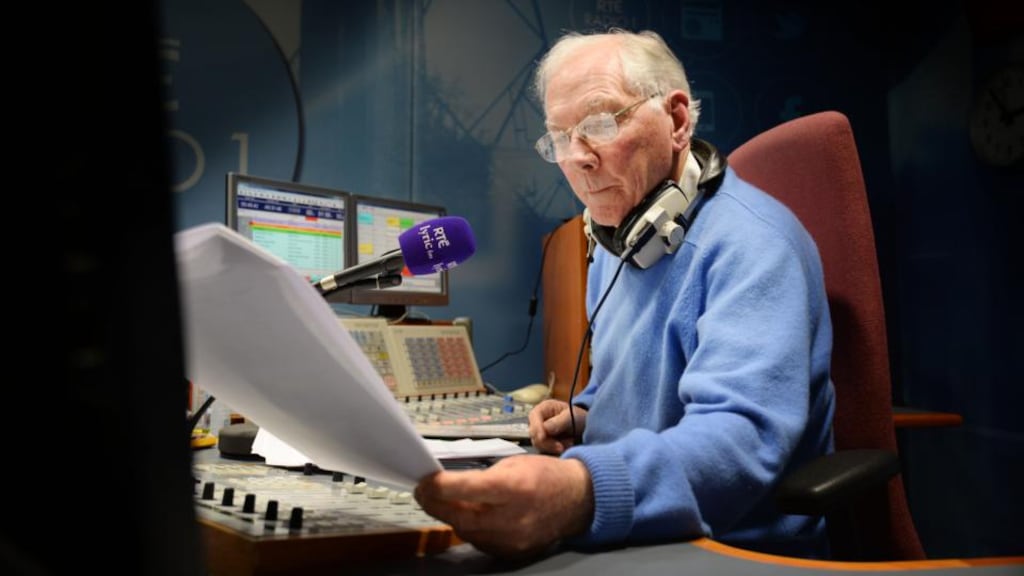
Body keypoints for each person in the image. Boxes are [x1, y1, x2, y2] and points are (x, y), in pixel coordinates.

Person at [414, 28, 836, 561]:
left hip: (733, 548)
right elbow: (631, 390)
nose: (577, 158)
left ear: (677, 121)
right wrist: (586, 416)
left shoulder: (756, 245)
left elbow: (739, 442)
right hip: (638, 527)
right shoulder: (619, 243)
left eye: (598, 125)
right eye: (560, 137)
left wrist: (579, 492)